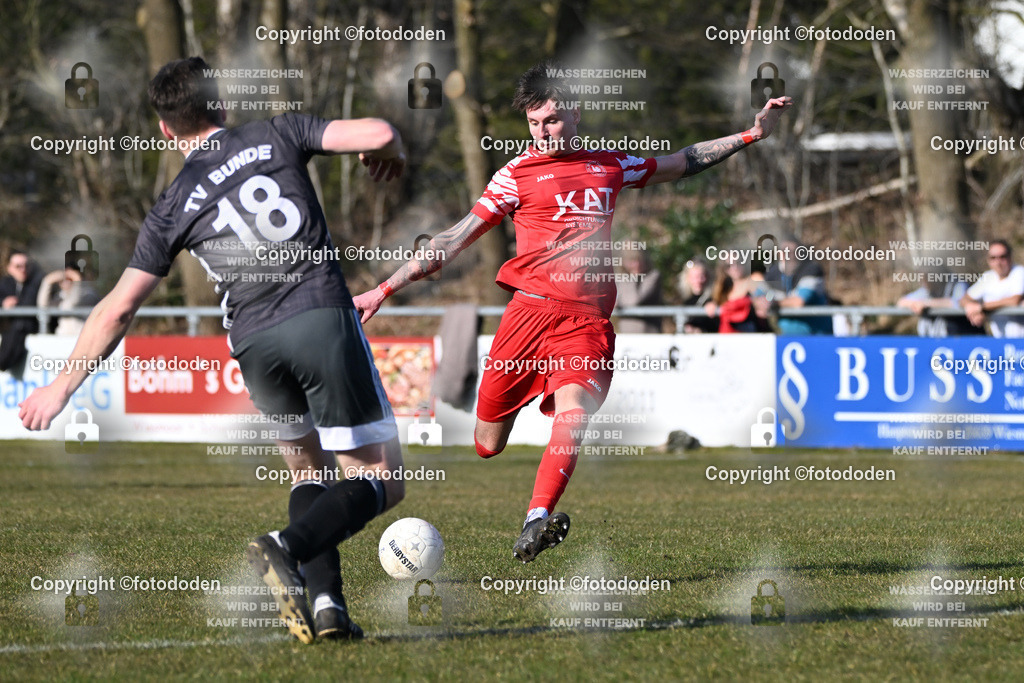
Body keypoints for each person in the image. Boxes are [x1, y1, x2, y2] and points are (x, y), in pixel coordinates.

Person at [18, 57, 407, 644]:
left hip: (254, 344)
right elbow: (378, 132)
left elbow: (117, 309)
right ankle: (285, 546)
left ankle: (328, 606)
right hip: (318, 318)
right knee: (381, 479)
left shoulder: (172, 203)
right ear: (221, 105)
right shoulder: (278, 131)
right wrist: (390, 153)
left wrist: (59, 386)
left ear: (165, 130)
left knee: (307, 469)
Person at [354, 61, 792, 562]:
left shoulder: (609, 165)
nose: (543, 132)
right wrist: (383, 289)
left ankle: (536, 518)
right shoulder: (514, 176)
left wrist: (752, 134)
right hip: (526, 318)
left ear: (576, 113)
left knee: (573, 414)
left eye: (552, 120)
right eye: (534, 123)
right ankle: (520, 468)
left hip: (585, 322)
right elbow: (451, 240)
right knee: (487, 443)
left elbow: (681, 162)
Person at [766, 234, 833, 335]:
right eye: (785, 251)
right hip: (786, 338)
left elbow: (798, 302)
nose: (789, 255)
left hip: (817, 336)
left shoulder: (811, 269)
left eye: (793, 251)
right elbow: (759, 296)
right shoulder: (772, 273)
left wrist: (773, 303)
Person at [960, 240, 1024, 337]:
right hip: (1000, 339)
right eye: (993, 258)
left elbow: (1014, 300)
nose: (998, 262)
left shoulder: (1019, 272)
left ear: (1010, 257)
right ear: (988, 260)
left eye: (1002, 257)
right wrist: (971, 308)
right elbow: (964, 298)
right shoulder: (988, 277)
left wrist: (981, 307)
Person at [0, 250, 44, 372]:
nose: (23, 270)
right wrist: (3, 303)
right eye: (18, 266)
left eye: (26, 266)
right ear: (9, 268)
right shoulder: (5, 283)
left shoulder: (36, 282)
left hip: (27, 328)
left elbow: (31, 302)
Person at [896, 273, 980, 337]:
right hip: (932, 342)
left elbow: (959, 302)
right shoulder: (926, 291)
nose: (923, 280)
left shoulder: (958, 284)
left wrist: (926, 303)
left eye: (927, 276)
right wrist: (916, 304)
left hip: (961, 338)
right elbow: (901, 302)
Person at [36, 264, 101, 336]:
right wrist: (47, 281)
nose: (65, 281)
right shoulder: (60, 296)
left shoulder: (89, 295)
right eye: (62, 279)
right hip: (63, 337)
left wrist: (77, 281)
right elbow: (43, 306)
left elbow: (71, 304)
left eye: (69, 278)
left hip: (81, 336)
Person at [615, 250, 662, 333]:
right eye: (632, 260)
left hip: (649, 334)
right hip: (626, 334)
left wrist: (633, 276)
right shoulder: (621, 279)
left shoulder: (653, 276)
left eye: (639, 259)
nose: (637, 264)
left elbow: (634, 301)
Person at [678, 258, 717, 333]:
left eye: (702, 276)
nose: (698, 281)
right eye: (694, 277)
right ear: (687, 278)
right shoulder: (684, 300)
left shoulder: (714, 299)